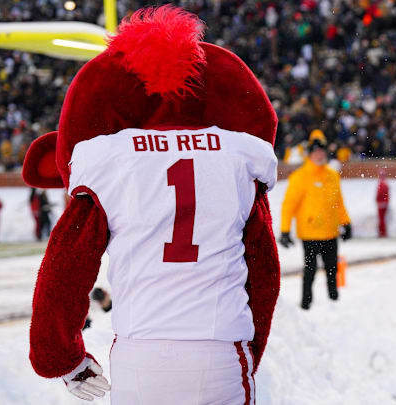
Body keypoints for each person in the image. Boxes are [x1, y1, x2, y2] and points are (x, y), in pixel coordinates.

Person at [23, 6, 281, 404]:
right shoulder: (237, 157)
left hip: (138, 350)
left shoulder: (111, 161)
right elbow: (263, 273)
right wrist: (251, 346)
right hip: (218, 344)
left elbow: (66, 267)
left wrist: (62, 357)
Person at [280, 131, 352, 310]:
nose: (319, 155)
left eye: (322, 151)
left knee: (332, 269)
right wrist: (285, 230)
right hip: (310, 233)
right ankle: (306, 303)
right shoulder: (300, 177)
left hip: (330, 232)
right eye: (316, 152)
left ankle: (333, 300)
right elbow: (289, 205)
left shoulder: (332, 175)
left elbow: (339, 203)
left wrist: (346, 222)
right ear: (310, 154)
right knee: (310, 270)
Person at [376, 170, 390, 238]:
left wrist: (378, 200)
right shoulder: (385, 184)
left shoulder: (382, 184)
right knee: (382, 219)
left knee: (381, 219)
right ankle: (382, 232)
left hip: (381, 204)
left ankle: (382, 232)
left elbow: (380, 194)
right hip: (383, 203)